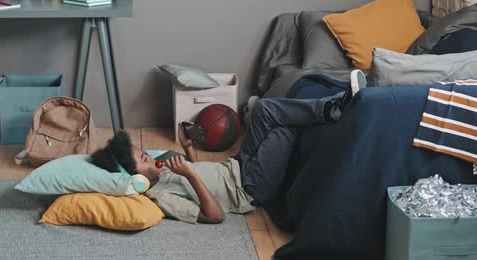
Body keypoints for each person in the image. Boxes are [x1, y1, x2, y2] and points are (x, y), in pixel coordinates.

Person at [91, 70, 366, 224]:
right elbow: (214, 216)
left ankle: (331, 109)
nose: (149, 157)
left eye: (144, 154)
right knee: (284, 130)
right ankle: (334, 114)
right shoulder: (161, 199)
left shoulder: (163, 171)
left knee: (264, 110)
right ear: (135, 179)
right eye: (143, 159)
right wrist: (189, 172)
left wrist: (189, 151)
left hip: (238, 164)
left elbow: (199, 173)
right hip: (250, 187)